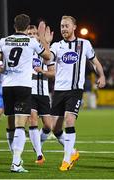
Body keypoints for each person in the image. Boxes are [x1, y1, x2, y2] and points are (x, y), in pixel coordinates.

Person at [0, 14, 52, 173]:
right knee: (19, 126)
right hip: (23, 86)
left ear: (14, 26)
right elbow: (47, 56)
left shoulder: (3, 41)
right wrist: (44, 40)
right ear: (27, 27)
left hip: (8, 85)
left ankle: (15, 158)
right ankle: (16, 163)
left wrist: (2, 69)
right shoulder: (31, 41)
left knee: (10, 125)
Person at [48, 15, 106, 171]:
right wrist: (45, 43)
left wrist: (101, 75)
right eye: (61, 26)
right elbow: (48, 57)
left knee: (69, 120)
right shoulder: (56, 45)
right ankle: (73, 152)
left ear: (74, 27)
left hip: (75, 90)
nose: (63, 29)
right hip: (59, 91)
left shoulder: (84, 44)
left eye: (66, 25)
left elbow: (95, 62)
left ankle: (66, 160)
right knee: (55, 128)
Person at [27, 25, 55, 164]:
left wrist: (42, 72)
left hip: (43, 93)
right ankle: (39, 154)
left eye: (34, 33)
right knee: (33, 120)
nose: (32, 35)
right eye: (29, 33)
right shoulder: (24, 51)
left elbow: (53, 72)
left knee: (48, 126)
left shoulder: (45, 53)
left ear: (39, 36)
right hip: (29, 92)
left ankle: (38, 144)